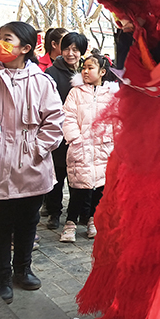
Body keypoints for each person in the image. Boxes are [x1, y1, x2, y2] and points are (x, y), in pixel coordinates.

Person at [0, 21, 64, 303]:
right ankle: (1, 276)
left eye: (7, 39)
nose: (0, 43)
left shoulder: (42, 82)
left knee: (29, 221)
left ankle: (22, 271)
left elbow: (54, 122)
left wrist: (38, 149)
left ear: (25, 48)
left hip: (31, 164)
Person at [60, 50, 117, 242]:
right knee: (79, 188)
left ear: (102, 71)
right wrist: (75, 138)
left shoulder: (110, 94)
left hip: (104, 148)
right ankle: (70, 223)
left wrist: (114, 141)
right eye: (83, 68)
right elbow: (67, 117)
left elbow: (117, 120)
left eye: (90, 68)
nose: (85, 71)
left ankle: (93, 219)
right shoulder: (75, 93)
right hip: (81, 147)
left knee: (99, 188)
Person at [43, 32, 88, 230]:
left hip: (81, 131)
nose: (71, 53)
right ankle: (54, 212)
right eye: (67, 49)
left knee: (78, 174)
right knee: (57, 173)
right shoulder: (52, 73)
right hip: (59, 131)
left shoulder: (87, 71)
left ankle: (78, 213)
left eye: (75, 50)